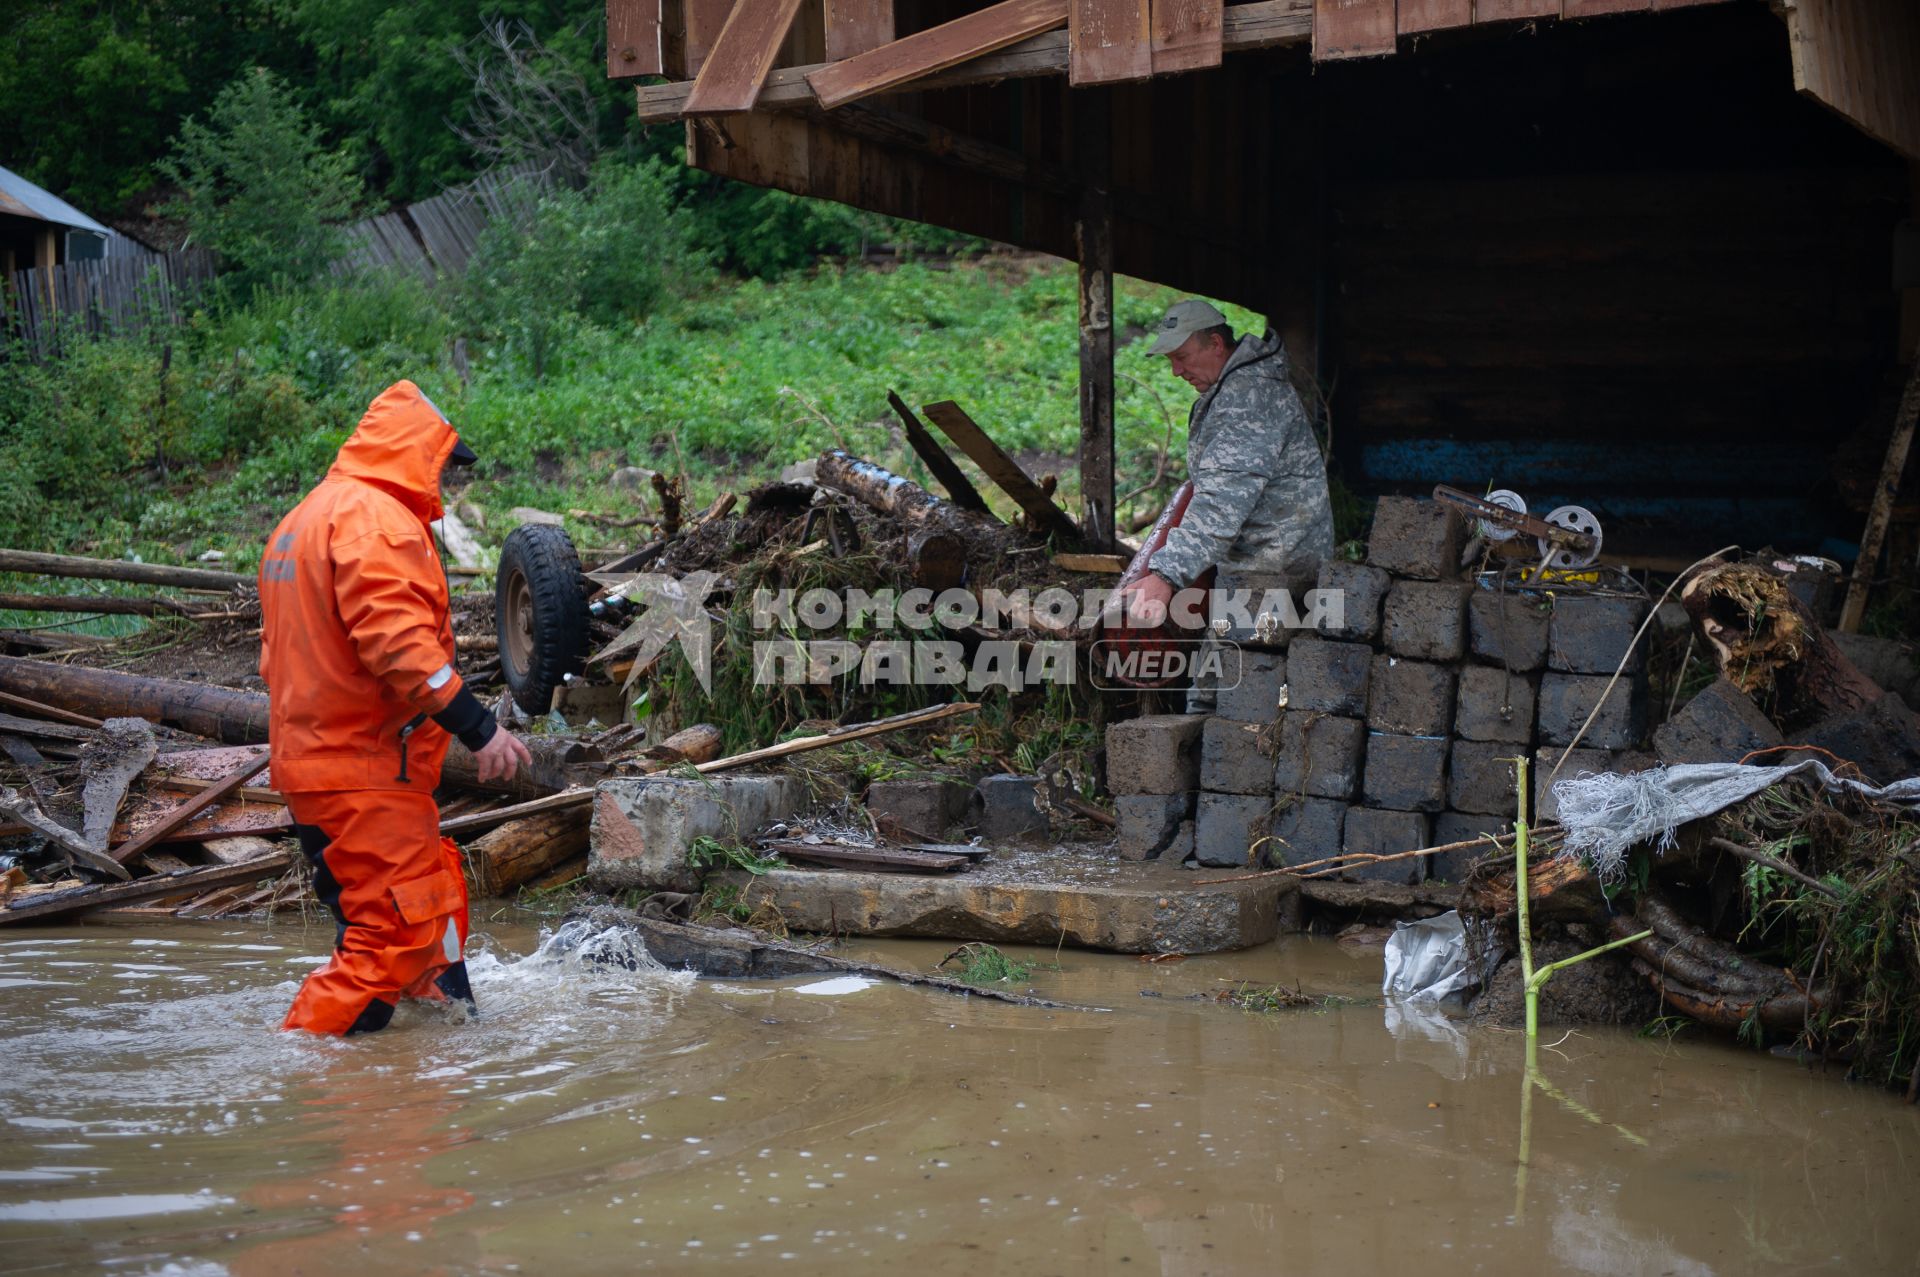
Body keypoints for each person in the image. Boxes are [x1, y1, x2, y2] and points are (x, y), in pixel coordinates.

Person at [259, 380, 531, 1036]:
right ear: (415, 453)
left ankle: (454, 1032)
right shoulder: (373, 519)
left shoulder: (309, 515)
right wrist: (478, 726)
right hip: (361, 770)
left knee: (429, 905)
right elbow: (396, 643)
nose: (449, 482)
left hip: (334, 764)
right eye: (445, 466)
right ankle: (304, 1064)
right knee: (389, 935)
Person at [1118, 300, 1334, 709]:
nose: (1177, 371)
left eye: (1182, 357)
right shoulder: (1237, 387)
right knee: (1214, 702)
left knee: (1228, 707)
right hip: (1259, 570)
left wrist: (1165, 574)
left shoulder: (1247, 398)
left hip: (1272, 575)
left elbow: (1220, 503)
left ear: (1216, 343)